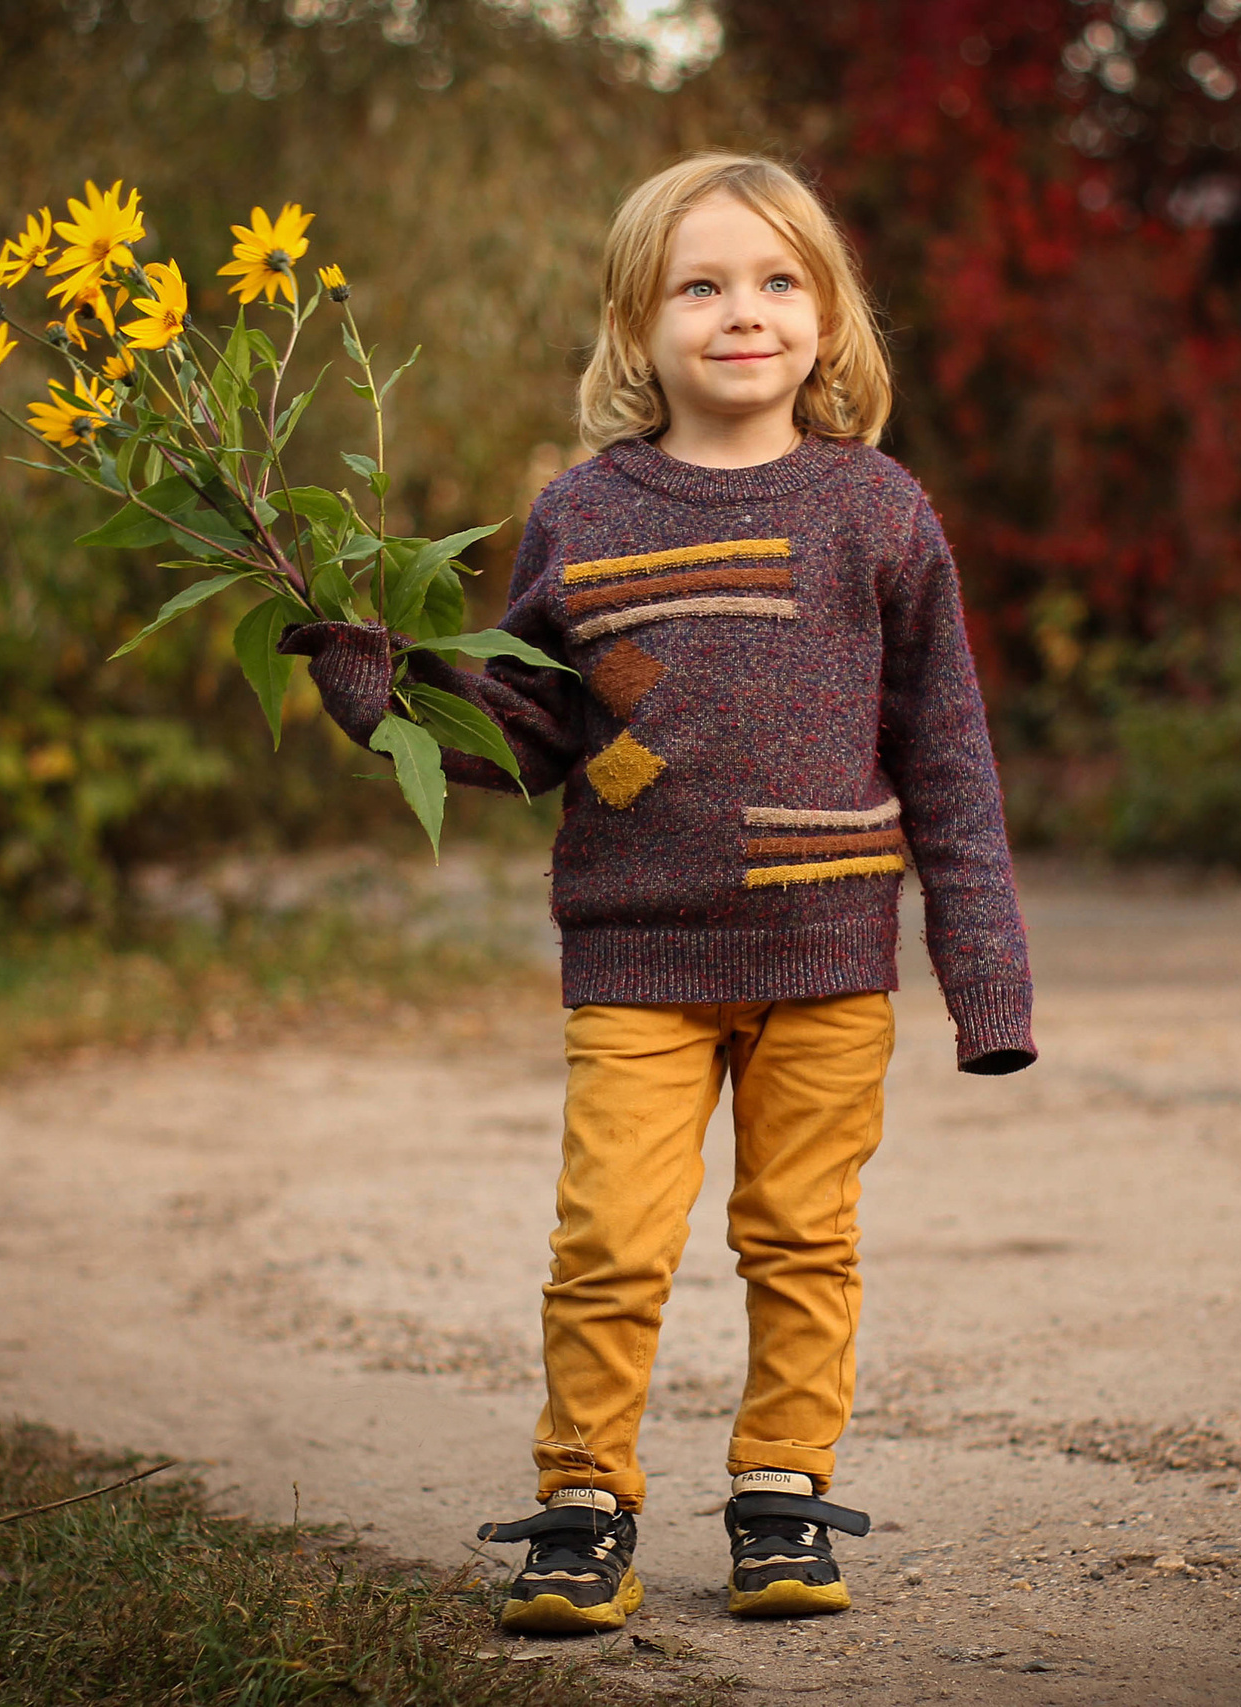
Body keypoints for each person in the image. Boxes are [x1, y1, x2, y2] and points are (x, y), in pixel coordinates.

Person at [280, 152, 1034, 1633]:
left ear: (827, 317)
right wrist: (391, 700)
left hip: (828, 957)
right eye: (700, 284)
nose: (740, 312)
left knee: (801, 1236)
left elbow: (948, 753)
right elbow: (548, 727)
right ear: (638, 323)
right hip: (635, 956)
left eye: (776, 282)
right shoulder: (585, 515)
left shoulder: (874, 511)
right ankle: (582, 1504)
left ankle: (784, 1496)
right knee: (612, 1240)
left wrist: (986, 977)